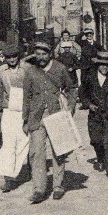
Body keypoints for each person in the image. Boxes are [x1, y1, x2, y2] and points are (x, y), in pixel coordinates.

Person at [22, 40, 75, 203]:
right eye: (38, 54)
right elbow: (27, 96)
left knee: (58, 150)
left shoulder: (59, 68)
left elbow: (71, 89)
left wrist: (70, 109)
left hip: (56, 114)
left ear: (50, 54)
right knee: (36, 153)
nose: (41, 57)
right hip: (36, 117)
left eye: (44, 54)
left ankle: (58, 185)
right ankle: (39, 189)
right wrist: (24, 120)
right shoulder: (30, 71)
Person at [79, 51, 108, 178]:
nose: (105, 67)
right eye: (102, 65)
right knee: (95, 140)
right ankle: (100, 158)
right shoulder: (90, 77)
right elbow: (82, 93)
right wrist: (89, 104)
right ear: (97, 64)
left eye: (107, 65)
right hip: (95, 114)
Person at [0, 43, 30, 193]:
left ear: (18, 56)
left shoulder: (26, 69)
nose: (11, 60)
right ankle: (9, 178)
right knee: (8, 143)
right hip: (8, 110)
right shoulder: (1, 71)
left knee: (23, 141)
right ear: (4, 58)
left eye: (14, 56)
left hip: (24, 109)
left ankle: (23, 169)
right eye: (8, 57)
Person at [54, 30, 81, 113]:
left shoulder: (73, 43)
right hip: (63, 69)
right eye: (64, 35)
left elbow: (79, 50)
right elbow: (55, 53)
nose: (66, 37)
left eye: (67, 35)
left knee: (73, 86)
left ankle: (72, 101)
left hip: (71, 69)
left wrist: (76, 58)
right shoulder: (60, 45)